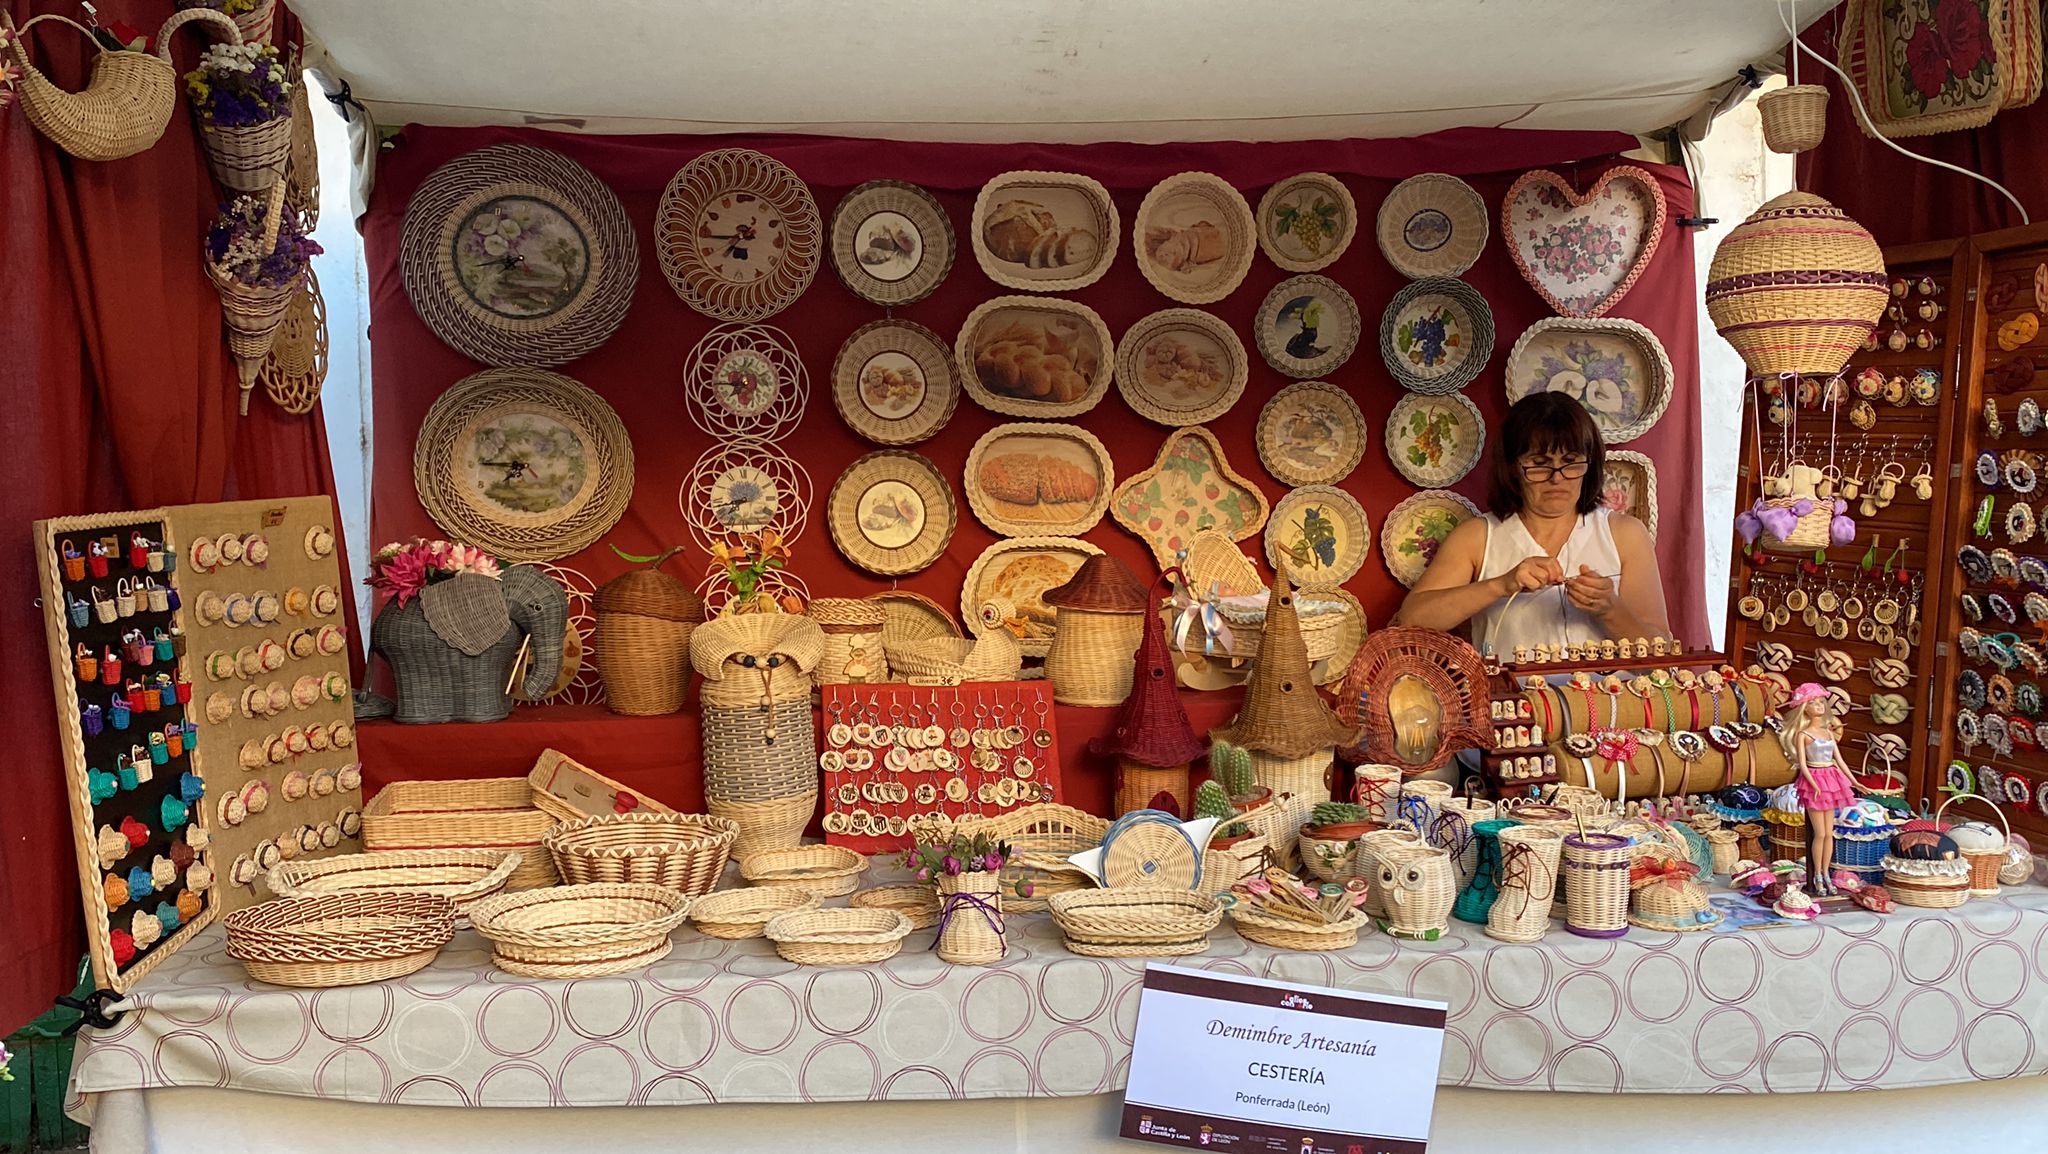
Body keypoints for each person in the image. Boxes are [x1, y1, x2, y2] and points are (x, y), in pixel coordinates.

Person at [1392, 392, 1670, 653]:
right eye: (1540, 463)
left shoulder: (1625, 534)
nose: (1557, 477)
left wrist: (1610, 610)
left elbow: (1662, 650)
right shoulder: (1477, 537)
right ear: (1514, 468)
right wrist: (1500, 585)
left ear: (1590, 463)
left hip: (1607, 703)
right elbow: (1411, 619)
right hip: (1514, 702)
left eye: (1571, 462)